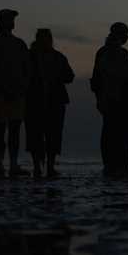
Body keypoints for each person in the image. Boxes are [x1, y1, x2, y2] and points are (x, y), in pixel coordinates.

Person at [0, 9, 31, 177]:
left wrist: (22, 87)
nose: (12, 22)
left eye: (12, 19)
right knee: (1, 128)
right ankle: (0, 164)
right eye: (10, 19)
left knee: (14, 129)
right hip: (0, 92)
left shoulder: (19, 44)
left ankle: (12, 164)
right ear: (2, 21)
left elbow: (27, 70)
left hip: (16, 93)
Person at [26, 28, 74, 178]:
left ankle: (49, 167)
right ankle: (37, 167)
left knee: (53, 135)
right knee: (35, 135)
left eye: (48, 38)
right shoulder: (30, 57)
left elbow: (69, 76)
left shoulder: (58, 57)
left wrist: (55, 77)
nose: (46, 41)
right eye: (44, 38)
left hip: (55, 101)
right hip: (35, 101)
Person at [92, 22, 128, 176]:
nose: (127, 37)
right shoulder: (113, 53)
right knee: (116, 133)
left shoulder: (110, 52)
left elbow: (96, 79)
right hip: (115, 99)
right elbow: (98, 79)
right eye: (125, 34)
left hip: (117, 99)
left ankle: (115, 165)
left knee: (114, 132)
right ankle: (116, 165)